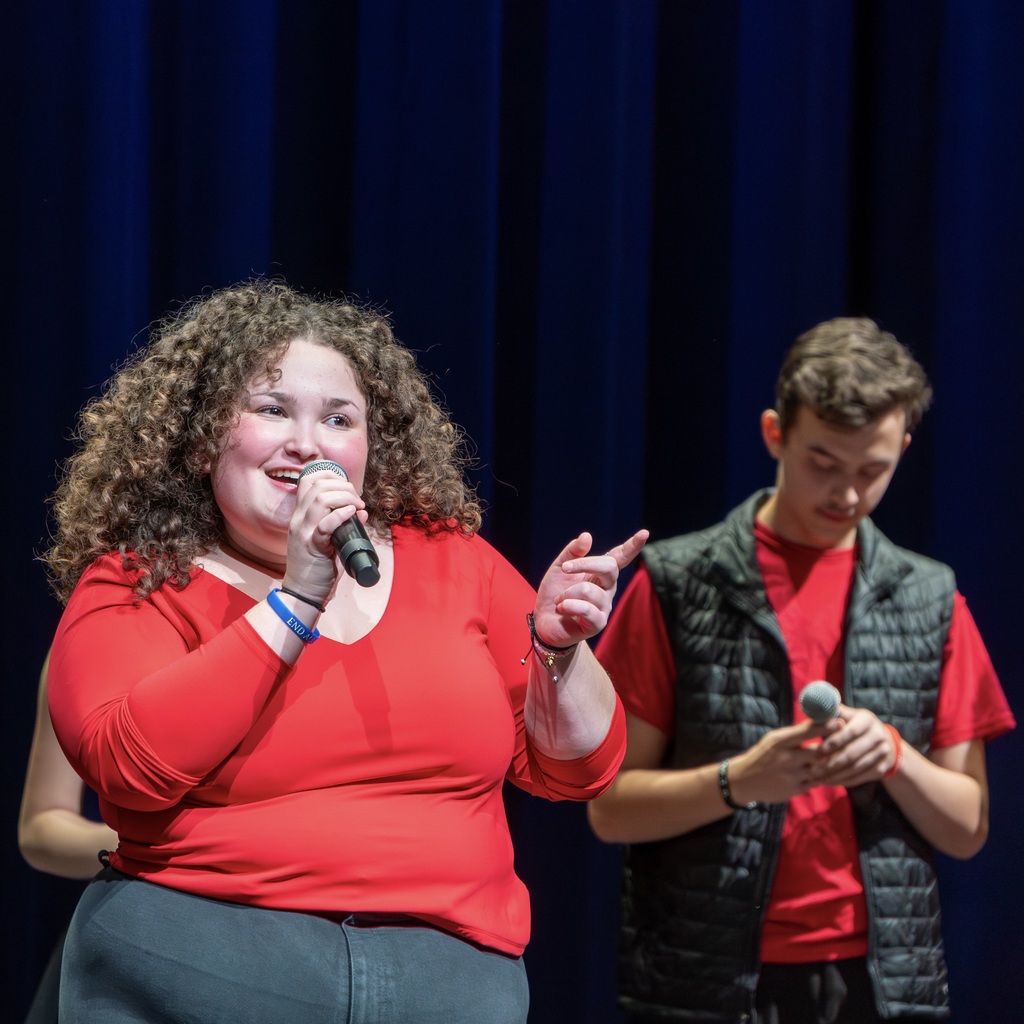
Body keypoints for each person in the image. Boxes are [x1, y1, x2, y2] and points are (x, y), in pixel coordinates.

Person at [43, 278, 647, 1024]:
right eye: (272, 410)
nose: (309, 442)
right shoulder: (138, 580)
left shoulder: (454, 561)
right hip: (203, 965)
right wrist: (295, 601)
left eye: (339, 418)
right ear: (201, 437)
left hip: (447, 980)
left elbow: (578, 769)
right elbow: (128, 767)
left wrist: (559, 651)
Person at [587, 317, 1015, 1024]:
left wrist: (895, 756)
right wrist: (738, 780)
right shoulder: (679, 582)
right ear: (774, 434)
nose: (847, 494)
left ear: (904, 448)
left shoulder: (929, 595)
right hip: (707, 983)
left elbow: (968, 828)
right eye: (824, 462)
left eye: (872, 469)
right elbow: (610, 809)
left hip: (879, 987)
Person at [19, 653, 119, 1024]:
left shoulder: (310, 626)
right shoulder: (104, 628)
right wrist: (144, 846)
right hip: (122, 942)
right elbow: (41, 826)